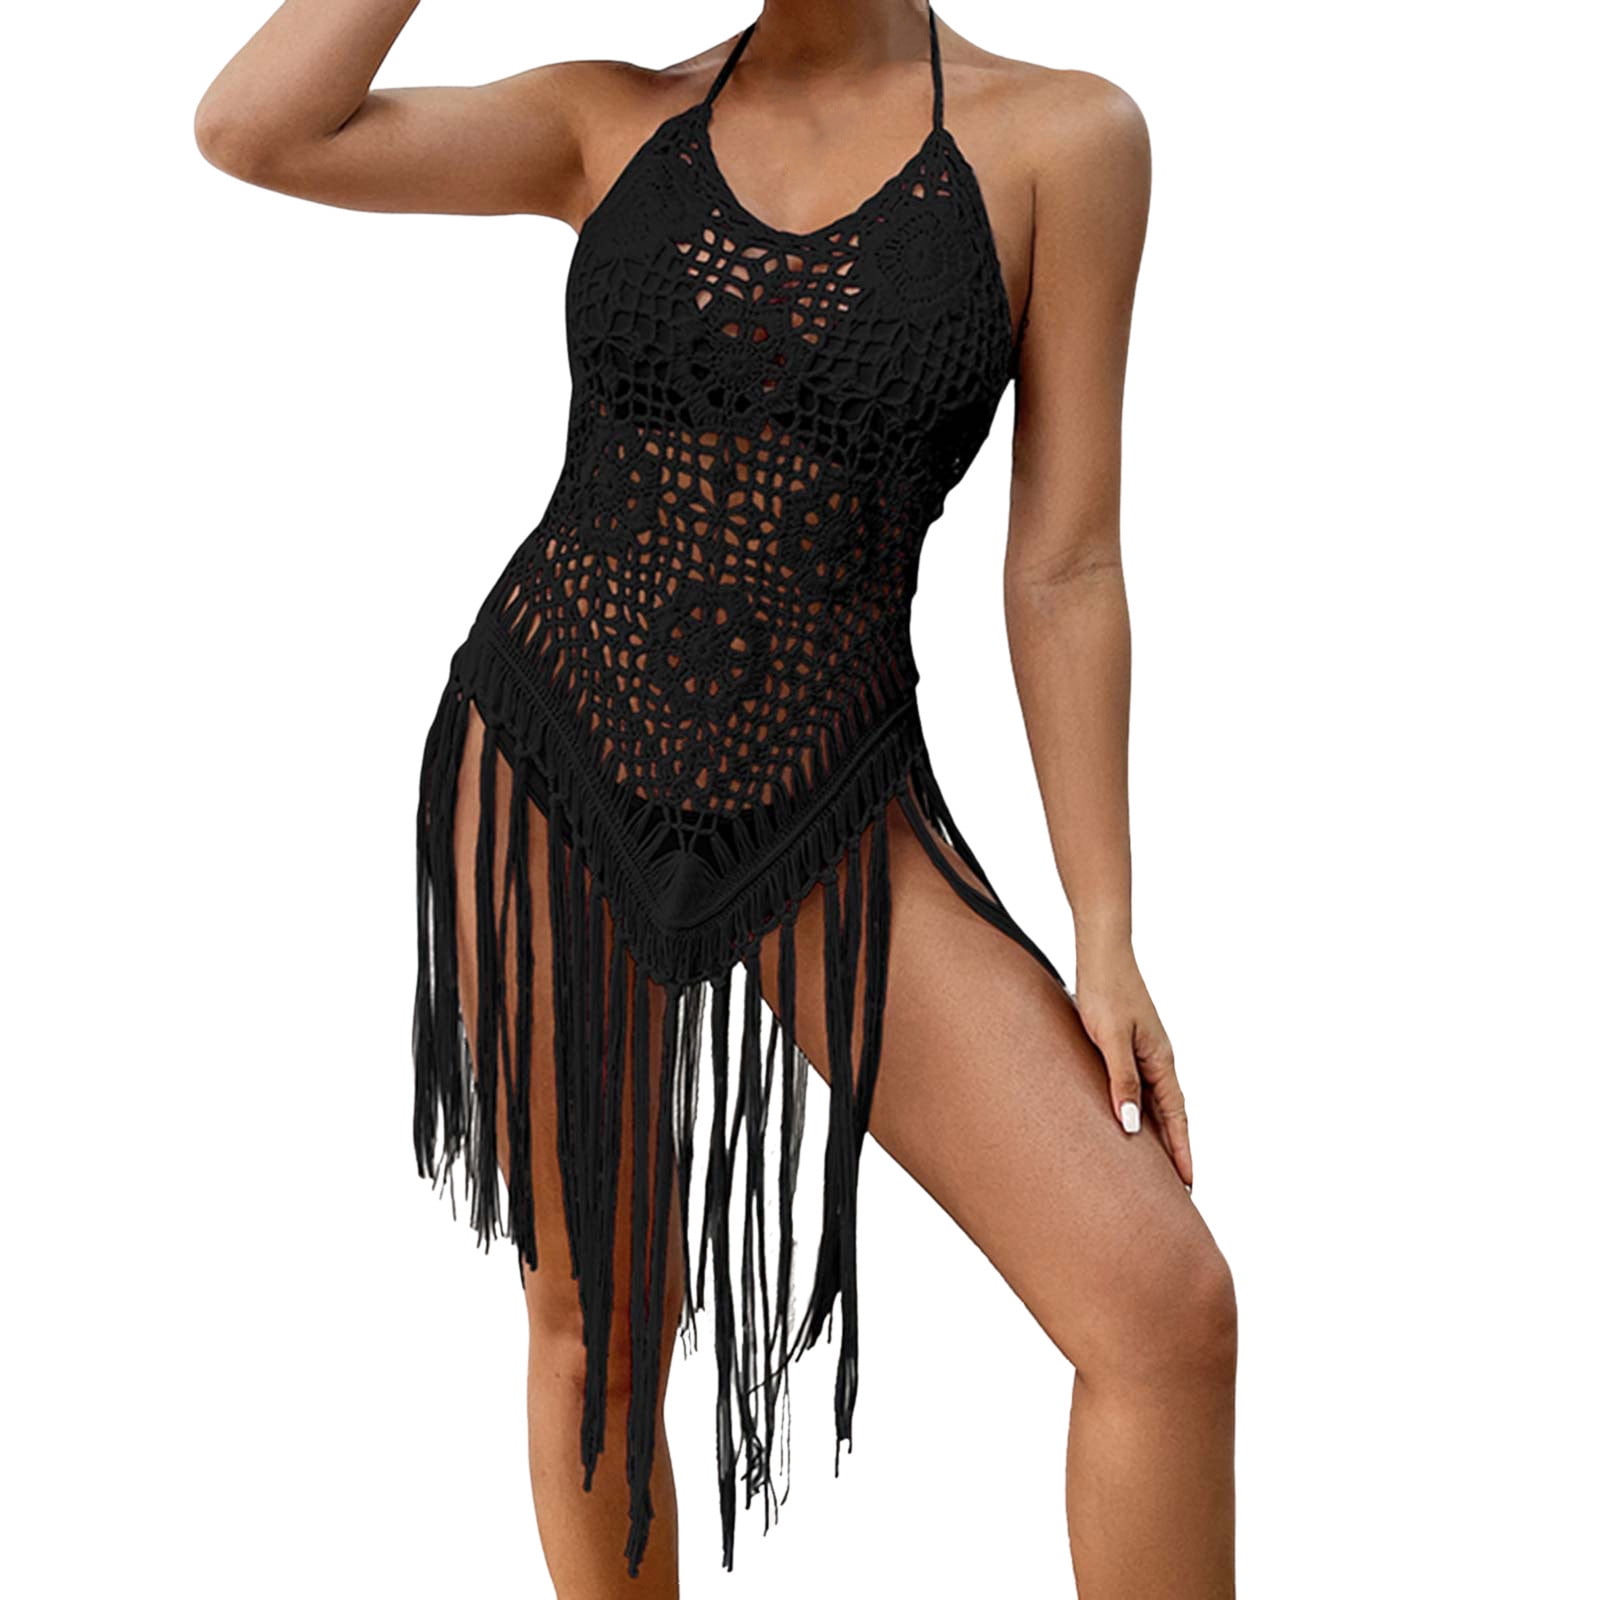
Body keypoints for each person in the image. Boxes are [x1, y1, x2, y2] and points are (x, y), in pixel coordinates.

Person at [195, 3, 1237, 1594]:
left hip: (829, 802)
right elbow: (257, 127)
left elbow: (1066, 563)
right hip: (551, 755)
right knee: (600, 1328)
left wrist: (1107, 930)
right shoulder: (610, 118)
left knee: (1161, 1306)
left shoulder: (1065, 139)